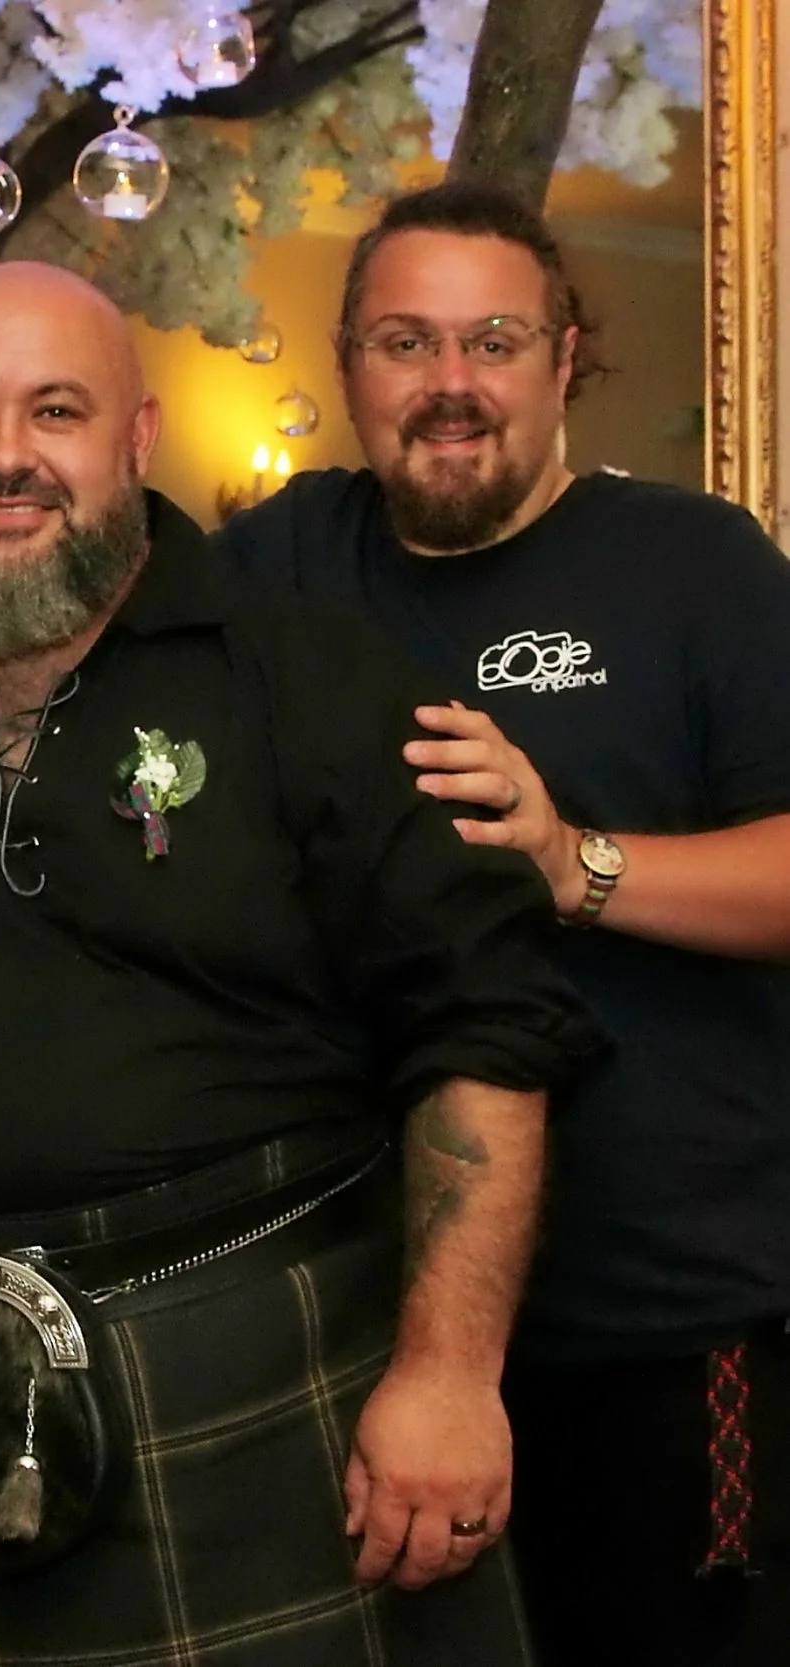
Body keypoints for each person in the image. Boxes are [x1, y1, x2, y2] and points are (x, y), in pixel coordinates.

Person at [0, 261, 603, 1665]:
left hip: (262, 1392)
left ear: (137, 438)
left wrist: (452, 1370)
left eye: (56, 410)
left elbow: (485, 1030)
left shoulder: (314, 677)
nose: (7, 459)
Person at [219, 180, 790, 1666]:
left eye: (493, 339)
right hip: (371, 1323)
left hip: (663, 1320)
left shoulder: (698, 563)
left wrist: (573, 860)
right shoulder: (279, 565)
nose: (452, 382)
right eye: (407, 341)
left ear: (562, 356)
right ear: (346, 364)